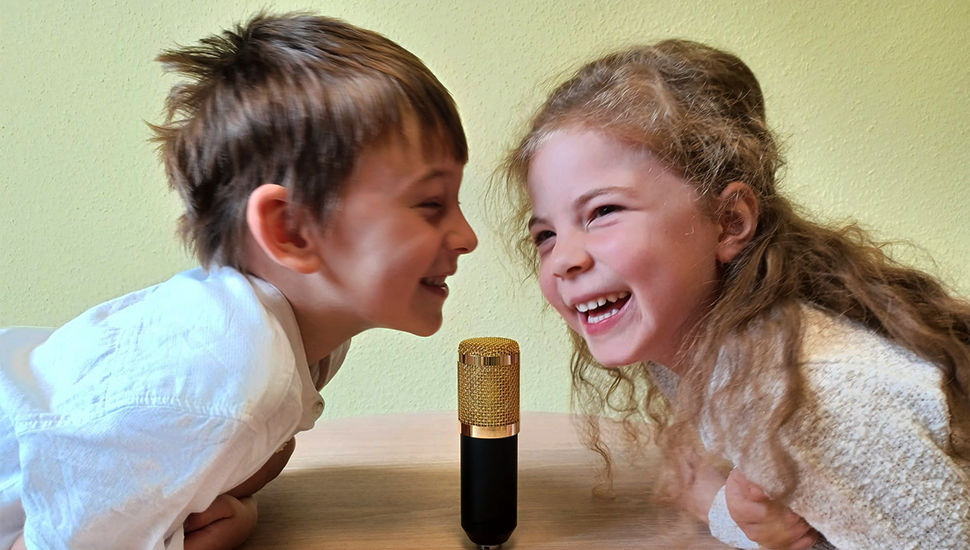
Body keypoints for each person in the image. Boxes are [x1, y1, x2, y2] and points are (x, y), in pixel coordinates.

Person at [0, 11, 477, 550]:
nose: (466, 236)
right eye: (431, 203)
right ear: (291, 229)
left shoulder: (294, 339)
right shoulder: (221, 379)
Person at [497, 38, 970, 549]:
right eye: (545, 235)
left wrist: (715, 506)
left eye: (603, 211)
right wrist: (734, 516)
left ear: (728, 221)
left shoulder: (808, 402)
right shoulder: (691, 352)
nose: (564, 257)